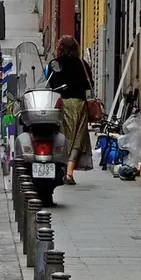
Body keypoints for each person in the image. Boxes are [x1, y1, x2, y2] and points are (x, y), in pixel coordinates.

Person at [47, 35, 94, 184]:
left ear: (60, 48)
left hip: (63, 104)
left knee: (64, 137)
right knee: (77, 139)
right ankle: (69, 173)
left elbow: (49, 85)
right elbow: (89, 85)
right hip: (80, 104)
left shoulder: (54, 64)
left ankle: (62, 168)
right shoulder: (82, 64)